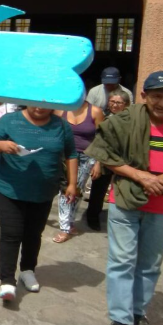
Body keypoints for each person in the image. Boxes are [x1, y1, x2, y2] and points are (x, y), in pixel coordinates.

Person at [85, 71, 163, 325]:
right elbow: (105, 154)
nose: (162, 102)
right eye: (157, 96)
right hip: (125, 199)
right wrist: (141, 176)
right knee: (122, 261)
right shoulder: (123, 122)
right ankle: (120, 320)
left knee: (150, 263)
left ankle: (138, 313)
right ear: (144, 96)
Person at [0, 107, 78, 301]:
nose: (38, 107)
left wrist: (72, 183)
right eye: (35, 102)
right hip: (10, 189)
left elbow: (71, 154)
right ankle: (7, 280)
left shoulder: (61, 125)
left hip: (43, 192)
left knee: (33, 234)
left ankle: (28, 270)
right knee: (11, 234)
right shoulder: (10, 120)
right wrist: (1, 145)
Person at [52, 100, 104, 243]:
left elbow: (102, 139)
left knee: (77, 191)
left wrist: (99, 162)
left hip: (87, 157)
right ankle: (64, 228)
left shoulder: (95, 111)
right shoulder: (60, 110)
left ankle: (70, 222)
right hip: (65, 156)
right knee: (66, 189)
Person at [86, 89, 133, 231]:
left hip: (124, 161)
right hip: (106, 161)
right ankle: (92, 218)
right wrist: (98, 164)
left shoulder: (131, 120)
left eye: (118, 102)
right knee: (98, 191)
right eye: (112, 101)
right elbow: (102, 143)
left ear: (126, 104)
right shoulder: (106, 119)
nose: (114, 105)